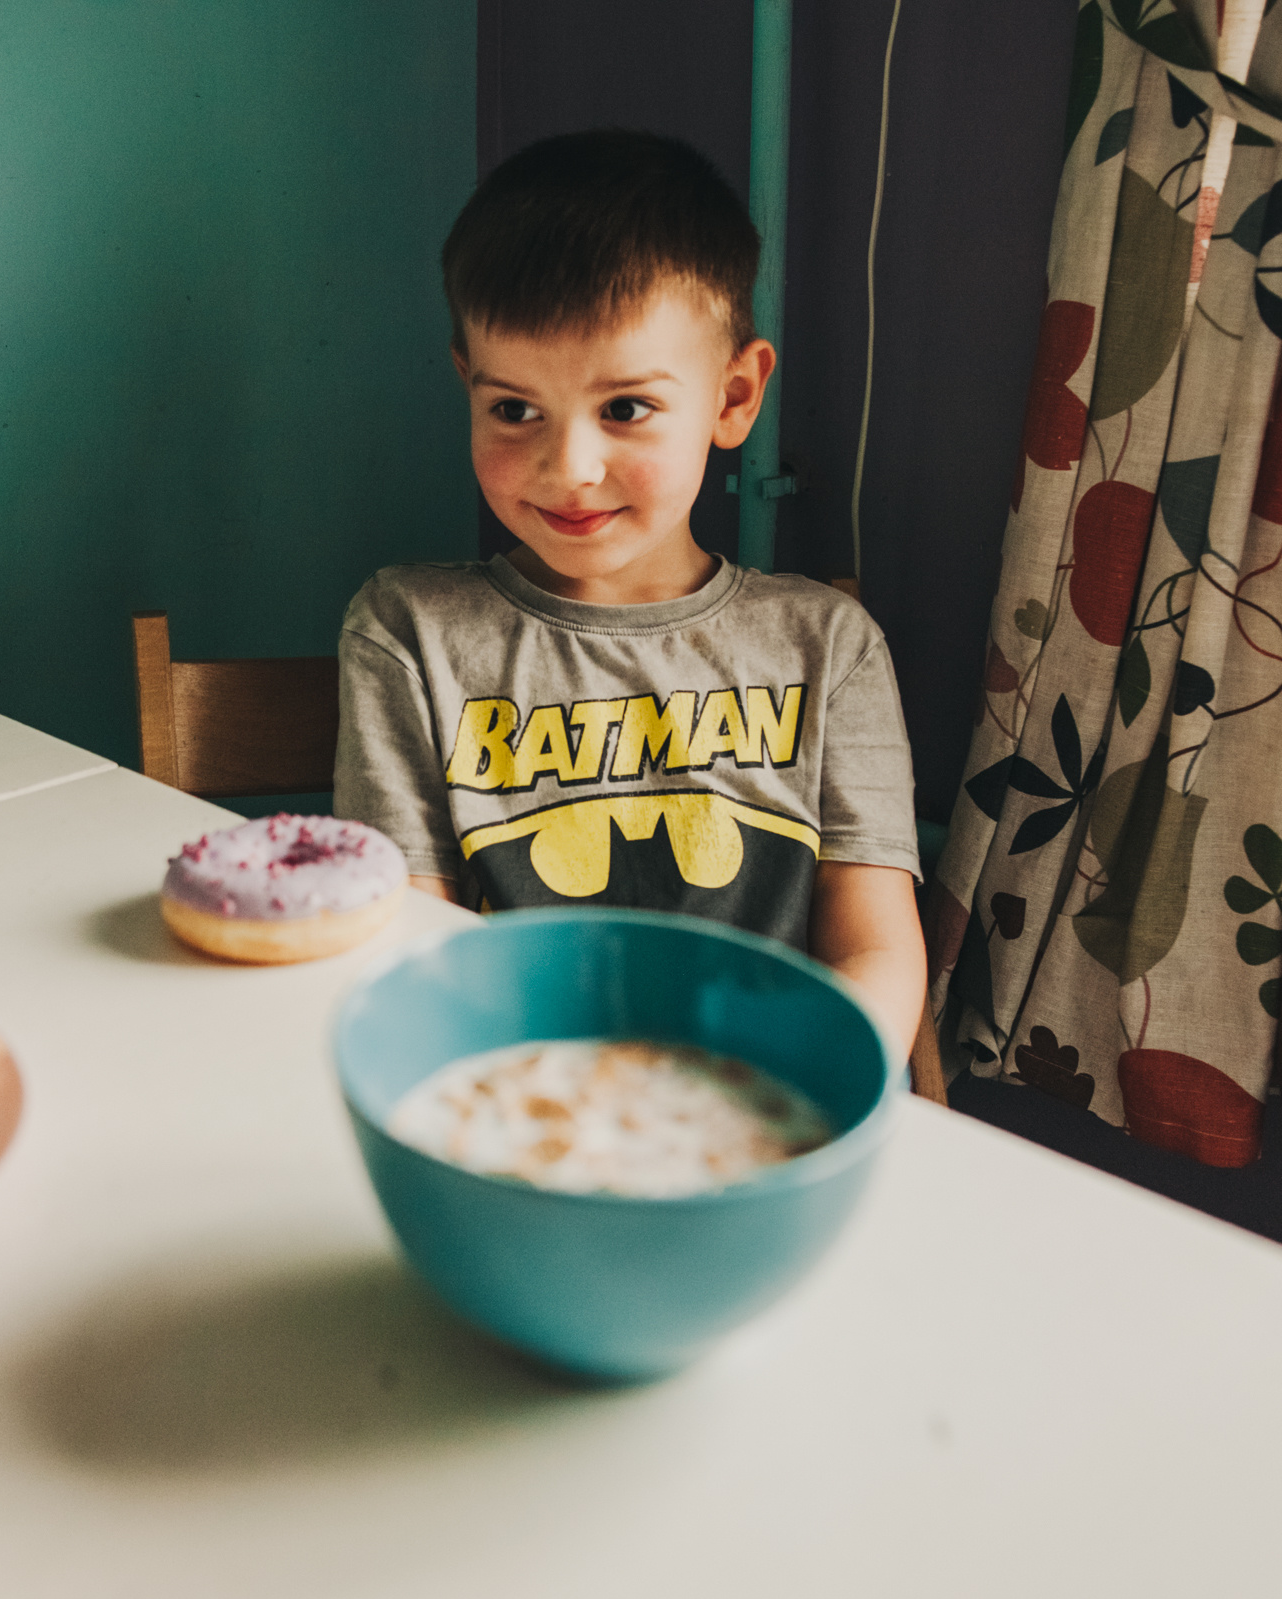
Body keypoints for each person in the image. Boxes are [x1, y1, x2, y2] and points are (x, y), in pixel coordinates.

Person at [333, 128, 926, 1046]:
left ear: (733, 398)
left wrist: (808, 1079)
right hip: (517, 1087)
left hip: (762, 1095)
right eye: (514, 410)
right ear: (469, 387)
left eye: (626, 408)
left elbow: (876, 947)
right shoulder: (407, 632)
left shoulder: (829, 644)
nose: (568, 469)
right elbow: (413, 944)